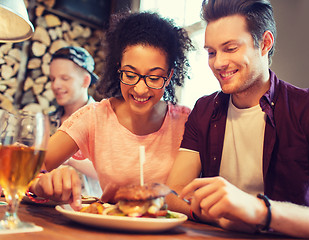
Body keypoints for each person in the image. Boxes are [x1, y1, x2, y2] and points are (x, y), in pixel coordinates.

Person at [166, 0, 309, 239]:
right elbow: (173, 195)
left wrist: (259, 211)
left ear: (265, 43)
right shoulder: (204, 109)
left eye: (230, 48)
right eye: (211, 52)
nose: (218, 63)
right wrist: (218, 216)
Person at [29, 11, 193, 210]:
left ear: (169, 77)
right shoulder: (94, 117)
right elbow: (28, 171)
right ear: (119, 69)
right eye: (130, 74)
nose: (140, 89)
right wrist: (40, 184)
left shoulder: (188, 122)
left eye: (154, 77)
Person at [48, 46, 102, 197]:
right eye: (52, 79)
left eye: (64, 78)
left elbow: (115, 172)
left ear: (85, 81)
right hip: (45, 207)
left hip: (91, 209)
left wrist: (67, 158)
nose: (55, 85)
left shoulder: (106, 119)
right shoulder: (47, 121)